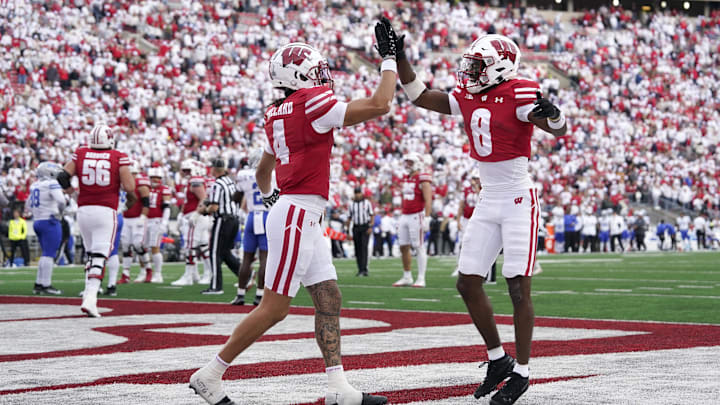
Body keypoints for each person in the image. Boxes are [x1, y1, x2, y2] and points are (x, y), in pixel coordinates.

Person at [189, 19, 397, 405]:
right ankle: (210, 375)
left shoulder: (276, 112)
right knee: (275, 307)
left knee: (328, 296)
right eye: (316, 72)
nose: (323, 78)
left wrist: (271, 200)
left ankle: (338, 388)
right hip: (299, 213)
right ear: (301, 75)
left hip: (297, 211)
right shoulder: (310, 102)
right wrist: (389, 59)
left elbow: (261, 171)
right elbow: (380, 104)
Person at [395, 28, 567, 404]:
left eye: (478, 66)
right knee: (467, 282)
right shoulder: (469, 94)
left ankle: (522, 373)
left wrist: (555, 116)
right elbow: (420, 96)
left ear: (501, 68)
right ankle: (497, 359)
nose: (470, 73)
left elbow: (558, 128)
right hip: (488, 197)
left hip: (519, 198)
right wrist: (399, 57)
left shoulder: (520, 91)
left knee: (517, 287)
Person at [57, 123, 135, 317]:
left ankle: (88, 292)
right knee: (100, 255)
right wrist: (127, 202)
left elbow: (62, 176)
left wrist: (73, 195)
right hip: (106, 210)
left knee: (92, 253)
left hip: (83, 210)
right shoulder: (118, 156)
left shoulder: (81, 153)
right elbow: (129, 186)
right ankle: (90, 298)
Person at [231, 149, 272, 305]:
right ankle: (259, 295)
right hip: (266, 216)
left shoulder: (243, 175)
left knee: (246, 259)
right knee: (264, 259)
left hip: (251, 217)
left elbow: (236, 197)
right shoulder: (272, 174)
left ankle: (240, 294)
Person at [198, 158, 241, 295]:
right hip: (234, 220)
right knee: (225, 253)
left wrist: (203, 211)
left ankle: (216, 287)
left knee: (215, 253)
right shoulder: (230, 181)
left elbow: (214, 207)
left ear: (214, 169)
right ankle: (245, 275)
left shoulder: (217, 184)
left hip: (223, 220)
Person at [392, 153, 432, 288]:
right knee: (403, 246)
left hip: (417, 215)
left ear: (417, 163)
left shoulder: (422, 178)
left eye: (410, 162)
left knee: (419, 246)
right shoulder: (406, 178)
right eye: (406, 162)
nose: (407, 165)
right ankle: (407, 276)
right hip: (405, 214)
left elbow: (428, 199)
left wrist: (427, 217)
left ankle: (421, 278)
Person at [26, 162, 66, 294]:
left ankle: (39, 283)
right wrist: (60, 212)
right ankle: (46, 284)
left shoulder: (34, 185)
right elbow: (61, 201)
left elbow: (28, 205)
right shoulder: (51, 184)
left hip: (38, 221)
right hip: (49, 221)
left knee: (45, 254)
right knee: (49, 254)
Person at [172, 160, 212, 286]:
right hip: (197, 217)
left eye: (188, 170)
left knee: (190, 247)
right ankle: (207, 274)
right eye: (184, 171)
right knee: (203, 247)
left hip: (196, 217)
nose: (185, 173)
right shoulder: (193, 181)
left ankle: (188, 276)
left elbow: (204, 198)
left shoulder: (195, 180)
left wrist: (196, 213)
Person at [120, 163, 152, 284]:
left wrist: (143, 216)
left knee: (138, 244)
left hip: (138, 218)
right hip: (126, 218)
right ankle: (125, 274)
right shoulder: (123, 185)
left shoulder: (141, 184)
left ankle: (148, 269)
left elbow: (146, 203)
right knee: (126, 245)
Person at [142, 167, 171, 283]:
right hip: (145, 220)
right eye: (153, 177)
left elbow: (166, 207)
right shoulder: (145, 189)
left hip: (156, 220)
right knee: (142, 247)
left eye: (157, 178)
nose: (155, 180)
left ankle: (158, 274)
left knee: (155, 247)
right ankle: (144, 271)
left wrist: (164, 222)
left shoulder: (164, 189)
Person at [453, 170, 481, 276]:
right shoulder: (466, 190)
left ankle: (474, 267)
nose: (474, 181)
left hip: (478, 220)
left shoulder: (483, 189)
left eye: (476, 178)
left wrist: (477, 188)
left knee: (477, 245)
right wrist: (458, 221)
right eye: (473, 178)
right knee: (462, 243)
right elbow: (461, 206)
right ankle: (459, 266)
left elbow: (481, 199)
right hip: (466, 219)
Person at [347, 187, 373, 276]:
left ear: (361, 193)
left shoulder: (367, 203)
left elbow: (372, 215)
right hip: (356, 227)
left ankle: (364, 269)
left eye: (359, 193)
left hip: (365, 227)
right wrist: (347, 231)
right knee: (357, 249)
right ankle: (360, 269)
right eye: (356, 193)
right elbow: (349, 218)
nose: (358, 195)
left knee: (364, 247)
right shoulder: (351, 204)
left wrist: (370, 226)